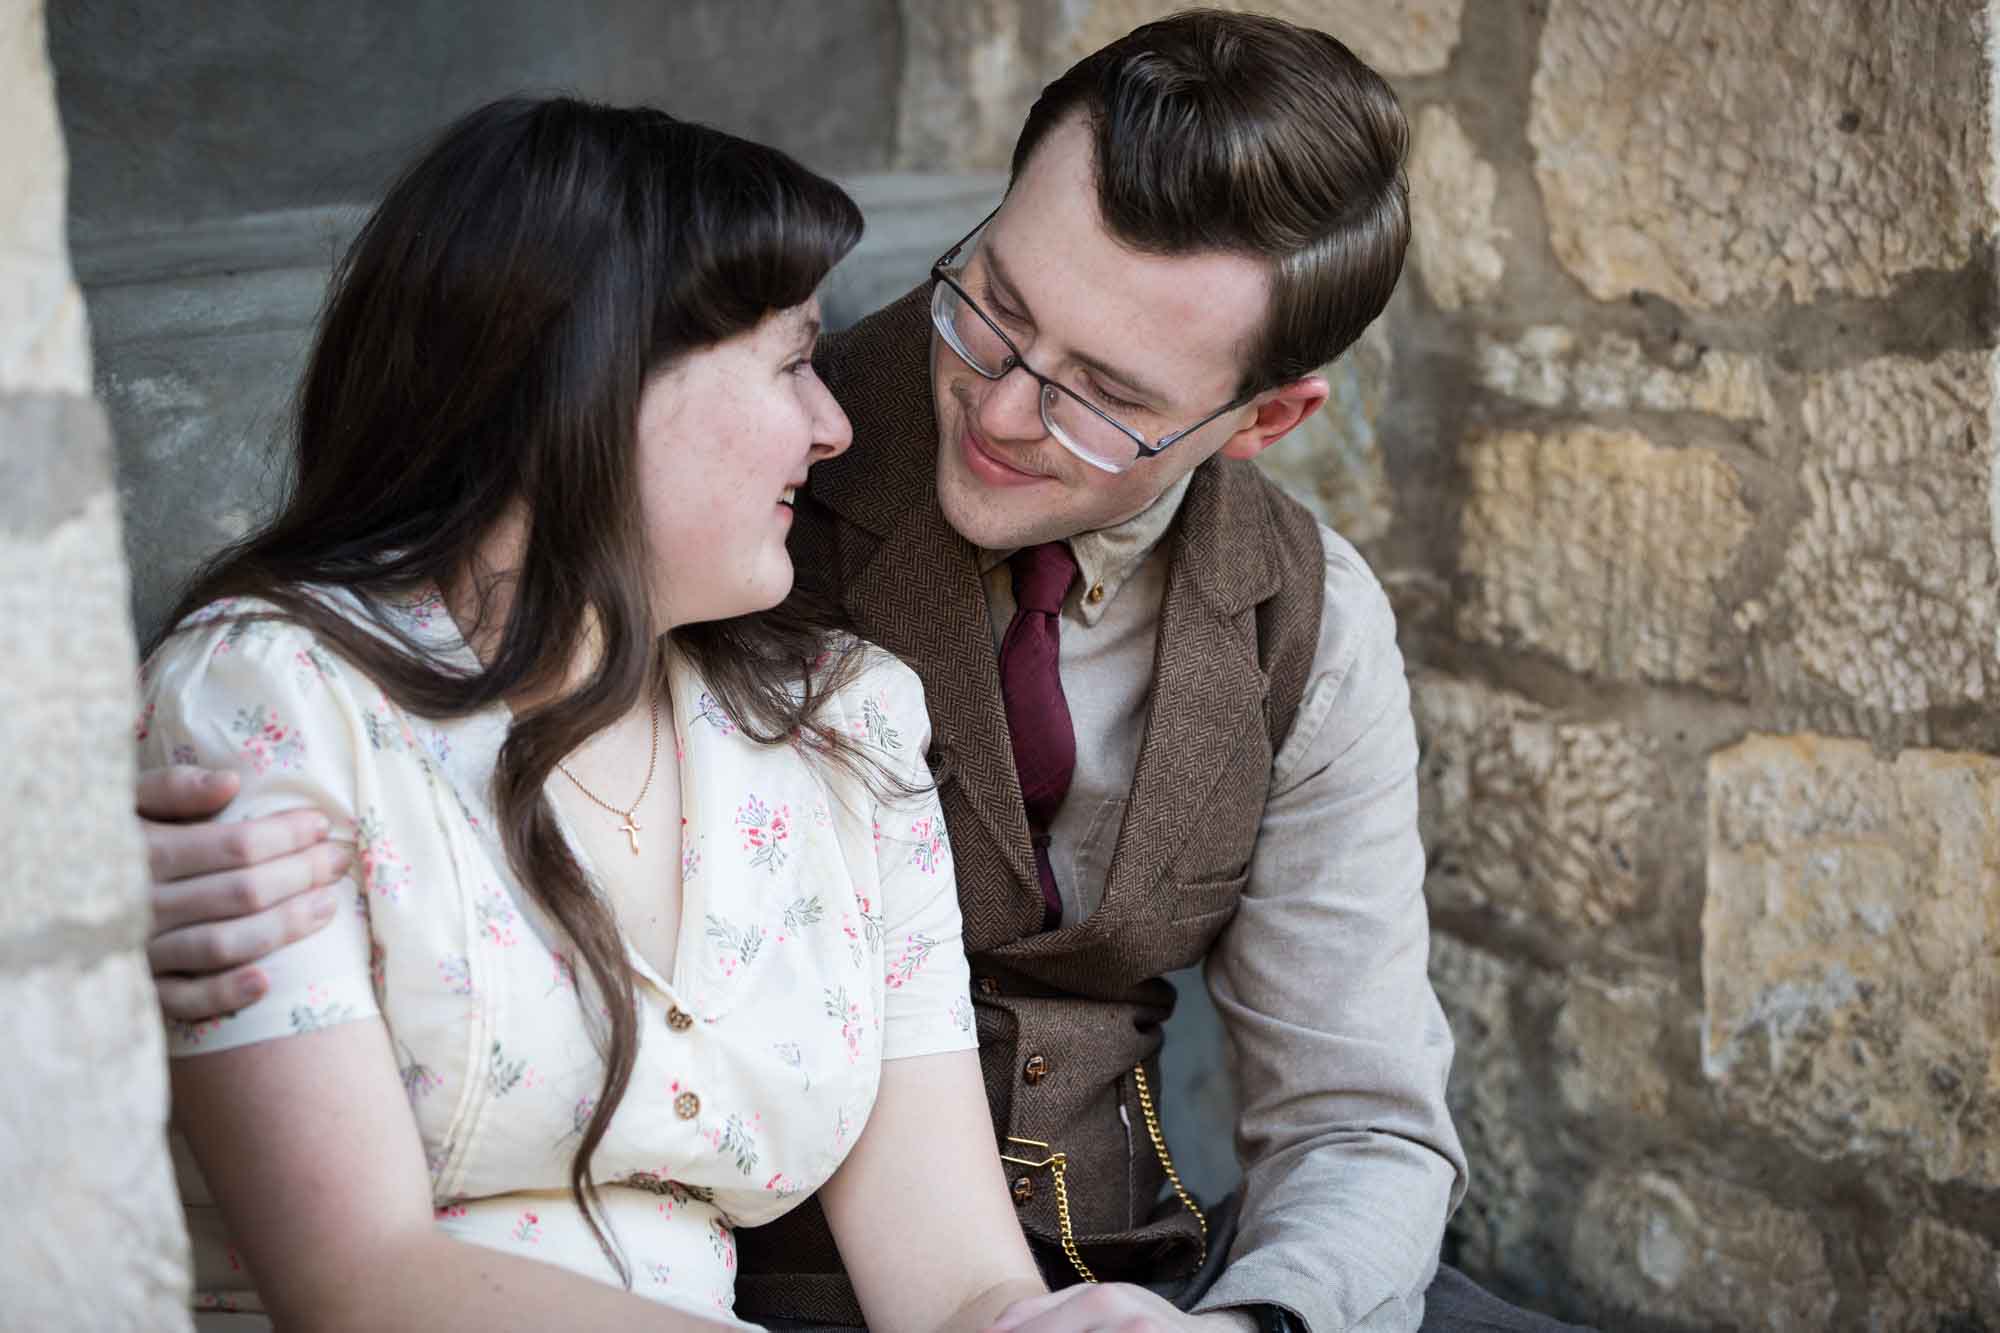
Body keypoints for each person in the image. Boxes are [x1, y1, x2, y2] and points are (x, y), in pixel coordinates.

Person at [137, 13, 1591, 1333]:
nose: (1006, 406)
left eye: (1105, 396)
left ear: (1263, 418)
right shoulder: (350, 678)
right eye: (997, 310)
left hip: (1124, 1270)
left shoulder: (1245, 632)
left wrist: (1237, 1327)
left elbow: (1355, 1121)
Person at [132, 96, 1047, 1331]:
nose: (832, 428)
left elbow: (954, 1279)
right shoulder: (277, 701)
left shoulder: (845, 726)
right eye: (791, 363)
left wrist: (1060, 1324)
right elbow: (357, 1283)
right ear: (596, 385)